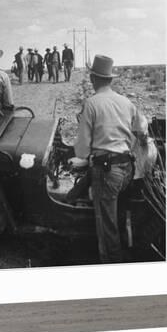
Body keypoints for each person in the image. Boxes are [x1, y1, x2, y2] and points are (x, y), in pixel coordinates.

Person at [69, 54, 140, 263]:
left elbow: (82, 149)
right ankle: (127, 251)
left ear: (93, 78)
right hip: (127, 167)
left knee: (106, 227)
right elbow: (139, 132)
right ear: (110, 79)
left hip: (108, 172)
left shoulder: (91, 104)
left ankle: (112, 267)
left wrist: (85, 156)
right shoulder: (126, 102)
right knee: (118, 215)